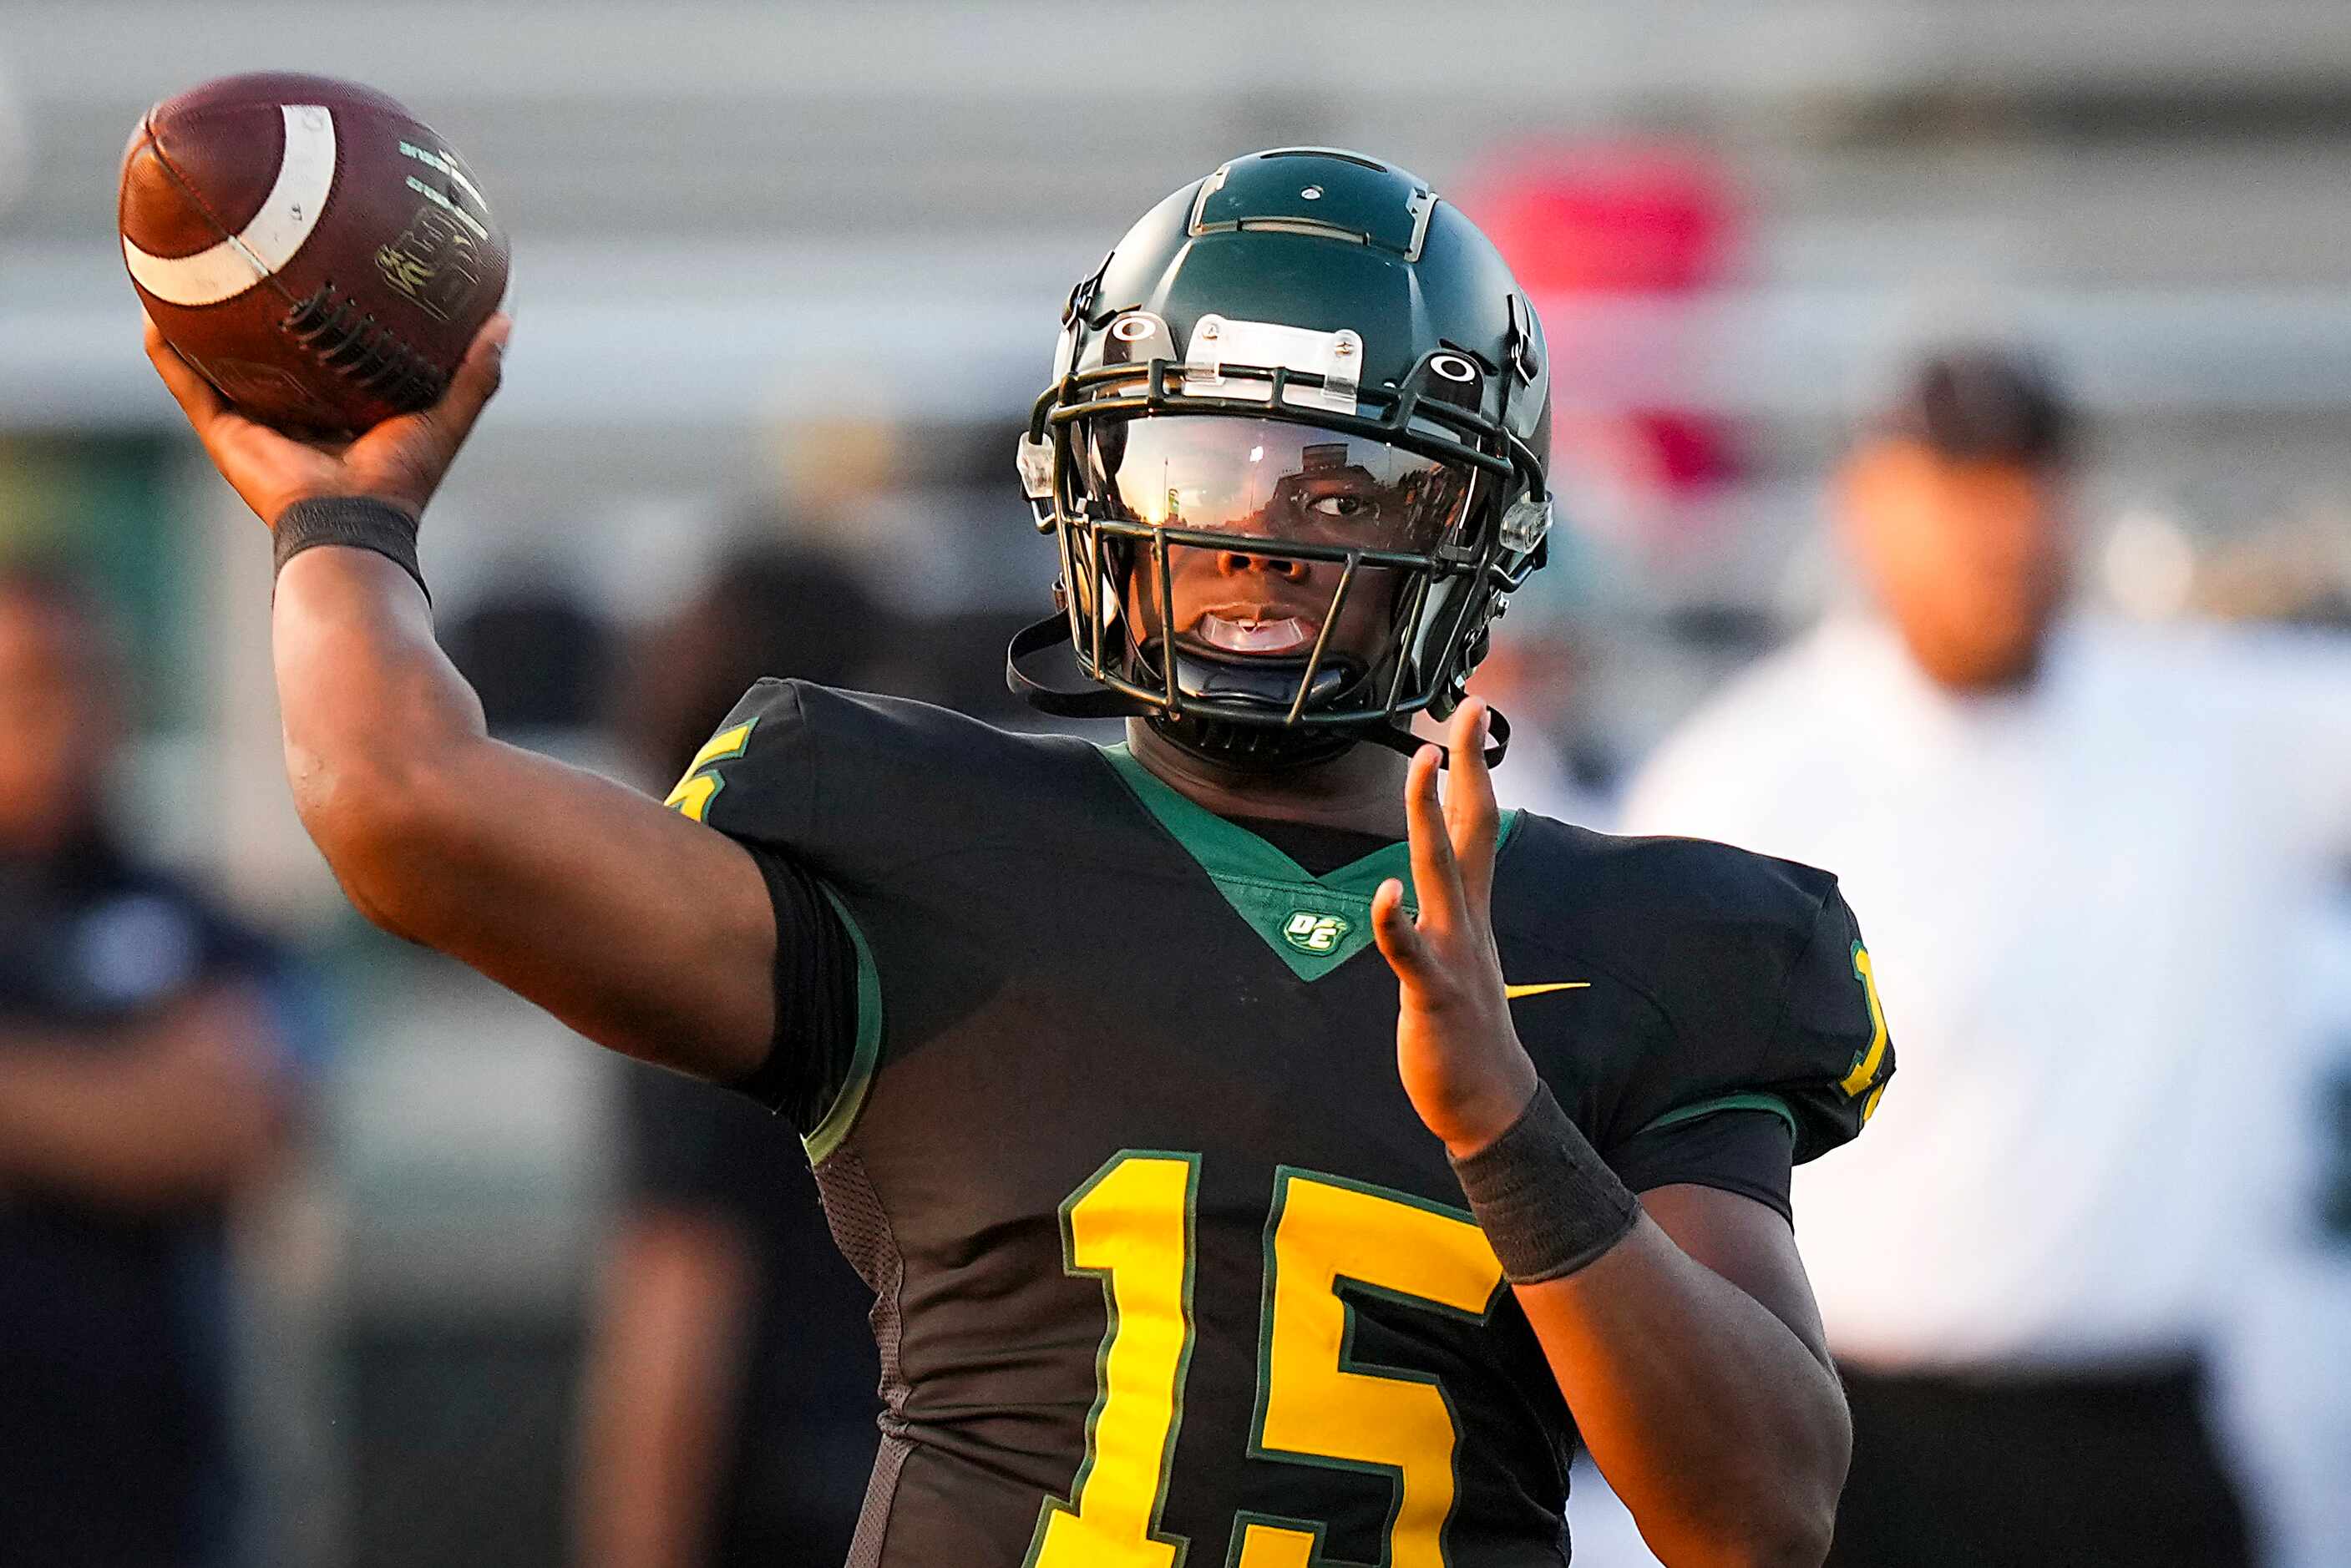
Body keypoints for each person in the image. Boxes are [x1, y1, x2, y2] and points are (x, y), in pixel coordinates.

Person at [144, 147, 1893, 1567]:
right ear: (1091, 489)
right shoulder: (919, 836)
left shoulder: (1646, 938)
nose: (1261, 540)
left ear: (1470, 534)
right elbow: (399, 804)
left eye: (1344, 491)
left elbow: (1757, 1517)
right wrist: (343, 516)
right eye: (1203, 469)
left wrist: (1512, 1132)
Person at [1620, 346, 2351, 1565]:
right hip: (1863, 1447)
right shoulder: (1747, 777)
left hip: (2145, 1438)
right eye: (1954, 485)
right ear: (1866, 505)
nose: (1996, 528)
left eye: (2023, 480)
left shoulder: (2206, 726)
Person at [575, 544, 888, 1568]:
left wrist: (637, 1539)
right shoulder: (924, 932)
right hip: (946, 1482)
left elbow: (681, 1290)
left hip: (782, 1493)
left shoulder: (707, 946)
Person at [0, 565, 309, 1568]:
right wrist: (112, 1096)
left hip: (155, 1506)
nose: (54, 716)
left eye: (79, 680)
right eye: (21, 684)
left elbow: (226, 1119)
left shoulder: (189, 917)